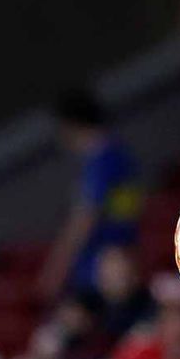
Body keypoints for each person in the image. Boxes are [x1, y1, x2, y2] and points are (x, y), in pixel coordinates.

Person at [39, 88, 144, 298]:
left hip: (106, 264)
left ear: (70, 125)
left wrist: (56, 270)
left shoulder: (103, 162)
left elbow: (84, 218)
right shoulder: (118, 154)